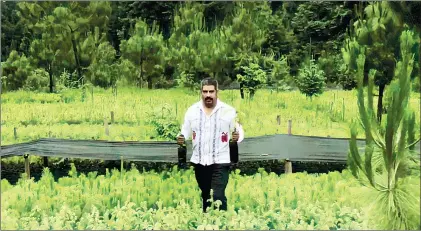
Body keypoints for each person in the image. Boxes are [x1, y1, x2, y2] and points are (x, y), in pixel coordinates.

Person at [177, 77, 242, 213]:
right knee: (206, 195)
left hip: (220, 161)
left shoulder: (228, 111)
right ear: (201, 92)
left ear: (217, 92)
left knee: (217, 196)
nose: (208, 95)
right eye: (205, 92)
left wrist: (237, 136)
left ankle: (222, 222)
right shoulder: (192, 111)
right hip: (200, 162)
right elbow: (185, 131)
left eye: (211, 92)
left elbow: (238, 131)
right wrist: (181, 137)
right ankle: (207, 223)